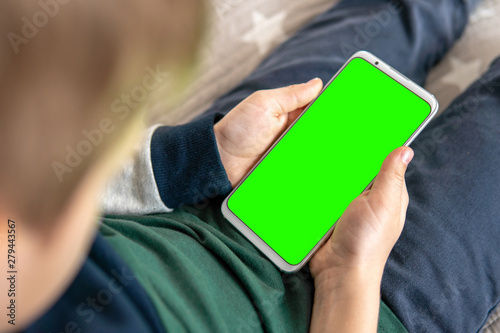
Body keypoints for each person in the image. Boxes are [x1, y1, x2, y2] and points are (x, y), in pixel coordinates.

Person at [2, 0, 499, 332]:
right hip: (376, 301)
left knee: (393, 14)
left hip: (211, 192)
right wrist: (350, 277)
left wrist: (204, 153)